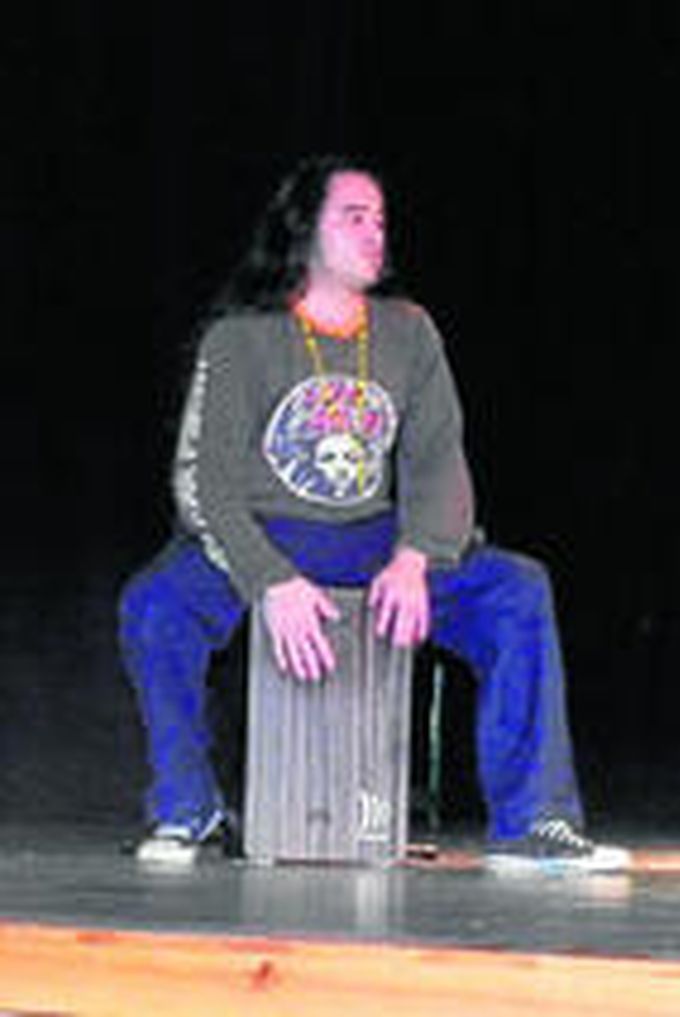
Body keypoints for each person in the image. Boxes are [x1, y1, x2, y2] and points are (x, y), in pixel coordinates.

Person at [118, 155, 628, 874]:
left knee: (516, 590)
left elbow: (438, 462)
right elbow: (208, 484)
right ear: (304, 231)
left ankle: (532, 823)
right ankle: (188, 807)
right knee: (155, 604)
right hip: (268, 534)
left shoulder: (408, 331)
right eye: (353, 217)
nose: (374, 234)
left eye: (380, 220)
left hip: (372, 539)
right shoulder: (242, 338)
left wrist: (415, 558)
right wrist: (270, 579)